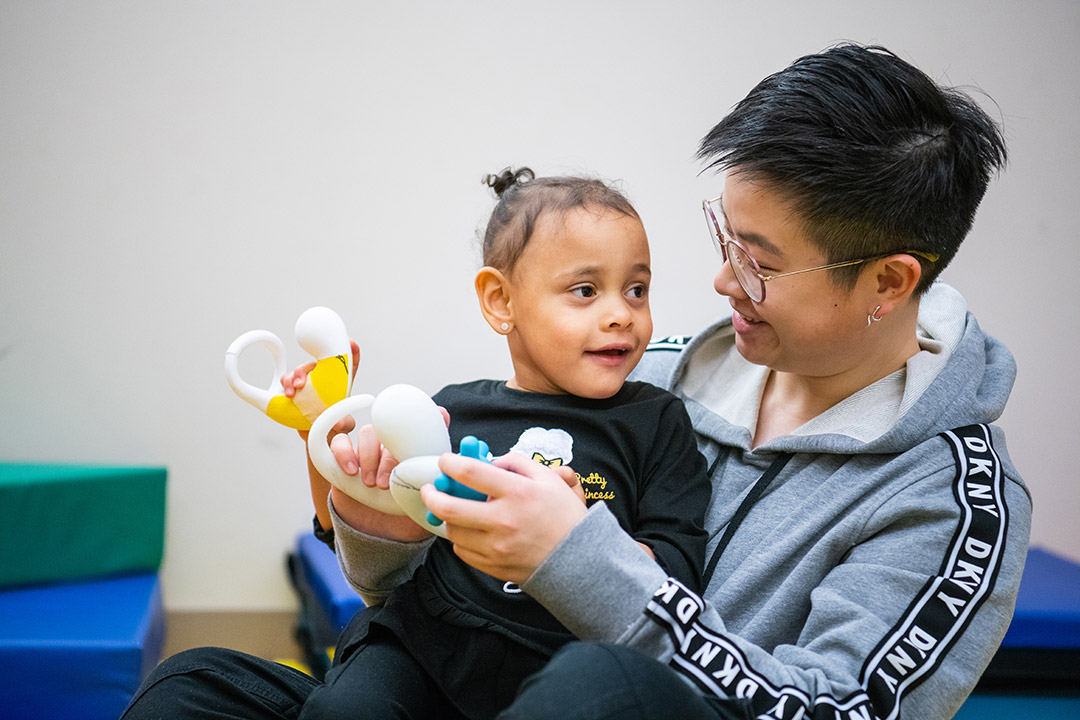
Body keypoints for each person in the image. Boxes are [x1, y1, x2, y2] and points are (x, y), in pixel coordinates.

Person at [419, 45, 1031, 718]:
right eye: (725, 237)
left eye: (756, 262)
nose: (721, 282)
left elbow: (841, 709)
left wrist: (575, 561)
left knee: (598, 686)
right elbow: (424, 597)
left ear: (887, 282)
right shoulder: (646, 375)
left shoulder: (951, 499)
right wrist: (365, 520)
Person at [122, 168, 710, 719]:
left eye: (637, 290)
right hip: (423, 642)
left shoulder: (658, 422)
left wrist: (571, 537)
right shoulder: (454, 410)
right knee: (337, 709)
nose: (621, 315)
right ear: (500, 301)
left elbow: (675, 583)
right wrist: (326, 438)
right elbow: (355, 542)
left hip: (561, 664)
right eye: (585, 290)